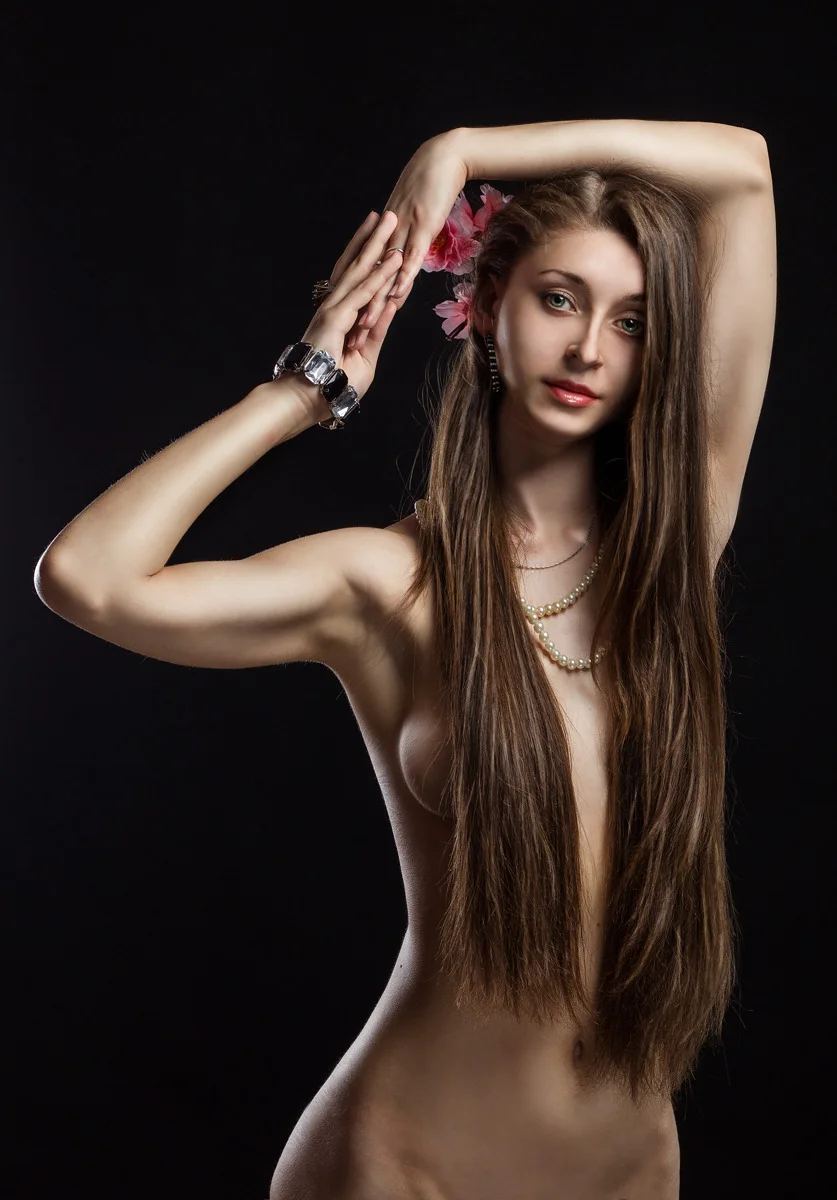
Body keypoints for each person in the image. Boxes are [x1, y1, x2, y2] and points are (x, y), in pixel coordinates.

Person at [34, 121, 776, 1199]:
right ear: (487, 306)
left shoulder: (670, 551)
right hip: (404, 1164)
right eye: (558, 298)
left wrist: (463, 150)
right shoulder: (391, 584)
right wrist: (301, 393)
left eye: (631, 322)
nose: (589, 349)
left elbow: (743, 173)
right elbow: (86, 579)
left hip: (628, 1167)